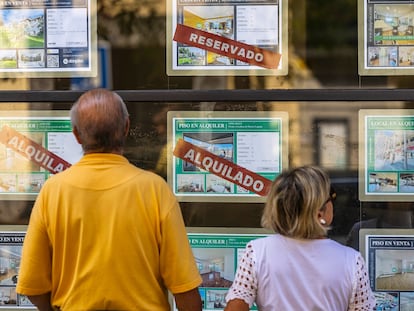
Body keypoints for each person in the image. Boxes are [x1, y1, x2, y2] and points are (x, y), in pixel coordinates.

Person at [16, 89, 202, 311]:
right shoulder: (154, 190)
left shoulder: (52, 192)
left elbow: (32, 286)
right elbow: (185, 289)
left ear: (76, 135)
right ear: (126, 127)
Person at [224, 165, 376, 311]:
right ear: (319, 213)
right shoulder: (351, 261)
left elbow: (235, 306)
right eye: (331, 196)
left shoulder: (257, 253)